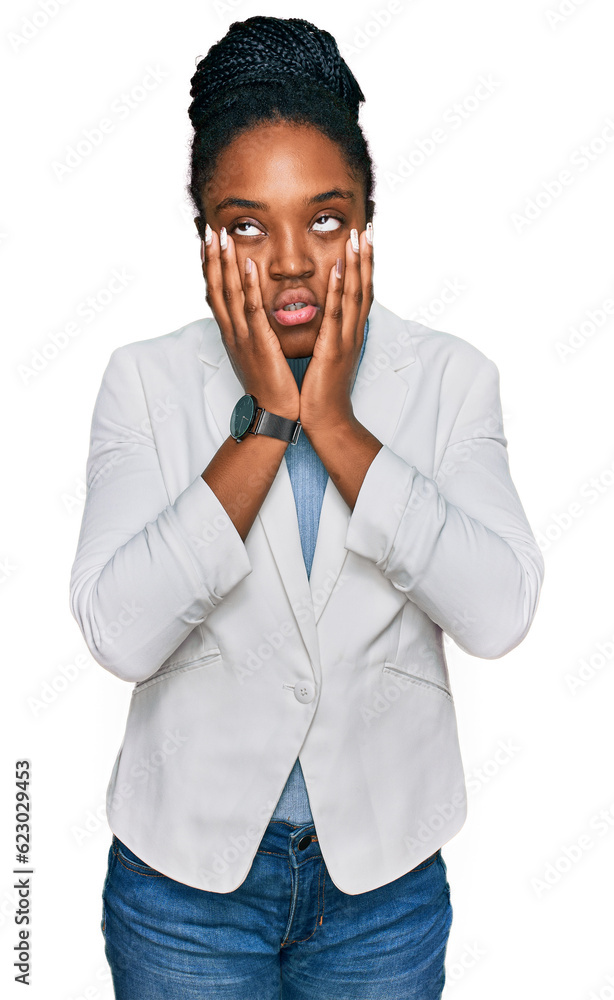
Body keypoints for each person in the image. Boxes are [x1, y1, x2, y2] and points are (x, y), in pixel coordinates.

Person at [69, 15, 544, 1000]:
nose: (288, 260)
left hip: (381, 890)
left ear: (364, 215)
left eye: (322, 217)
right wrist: (264, 433)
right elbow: (118, 631)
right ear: (207, 231)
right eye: (247, 223)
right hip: (183, 891)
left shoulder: (450, 380)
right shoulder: (144, 383)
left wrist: (336, 428)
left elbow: (499, 611)